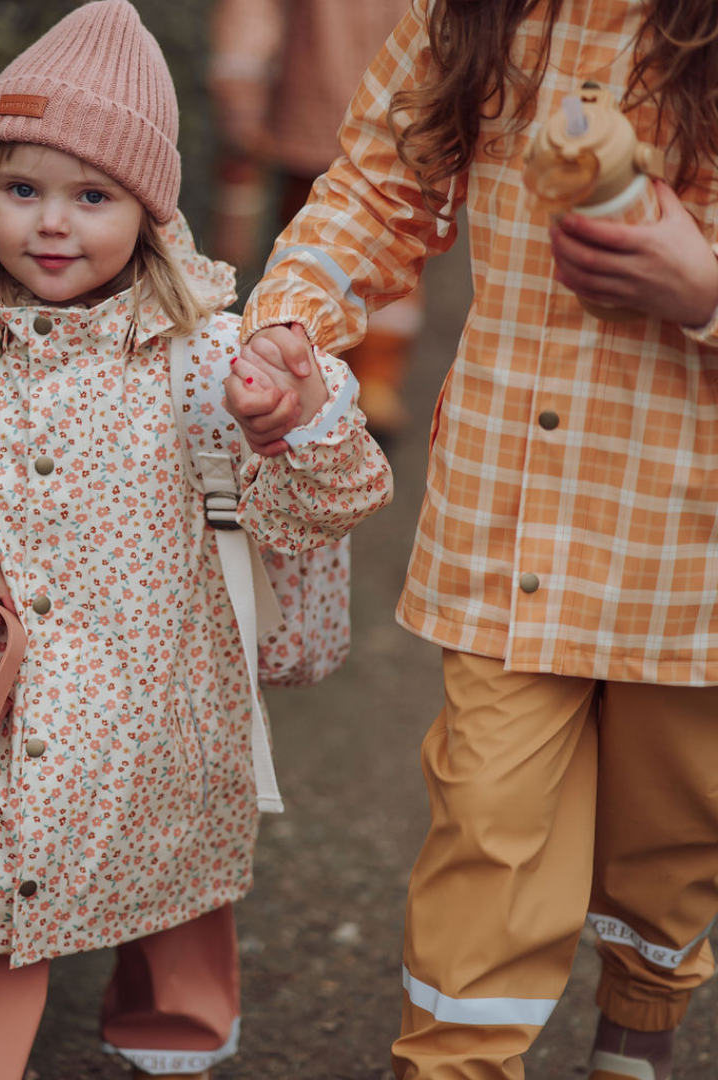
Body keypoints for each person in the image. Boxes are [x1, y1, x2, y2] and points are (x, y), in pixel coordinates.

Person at [0, 3, 391, 1078]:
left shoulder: (208, 361)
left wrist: (298, 422)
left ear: (151, 214)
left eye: (94, 196)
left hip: (159, 701)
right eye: (22, 189)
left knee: (164, 879)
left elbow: (328, 500)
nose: (53, 224)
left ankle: (169, 1035)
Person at [233, 1, 718, 1078]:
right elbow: (378, 185)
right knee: (489, 818)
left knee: (673, 837)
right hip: (516, 514)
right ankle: (452, 1062)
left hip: (695, 545)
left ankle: (639, 1022)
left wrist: (703, 289)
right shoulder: (476, 15)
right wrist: (293, 323)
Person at [208, 0, 422, 442]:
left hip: (397, 107)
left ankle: (370, 374)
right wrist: (242, 81)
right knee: (316, 229)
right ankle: (314, 366)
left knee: (405, 231)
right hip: (322, 104)